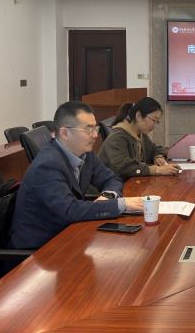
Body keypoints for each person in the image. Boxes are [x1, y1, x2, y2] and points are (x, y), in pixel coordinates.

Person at [10, 101, 143, 249]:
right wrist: (122, 205)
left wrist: (108, 196)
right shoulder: (47, 165)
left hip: (68, 234)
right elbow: (69, 210)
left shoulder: (85, 153)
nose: (95, 135)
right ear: (65, 133)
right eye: (88, 129)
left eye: (96, 128)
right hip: (40, 248)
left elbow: (112, 178)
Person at [99, 97, 179, 179]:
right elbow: (123, 168)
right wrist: (157, 170)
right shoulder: (116, 138)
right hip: (114, 184)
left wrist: (157, 156)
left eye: (157, 122)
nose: (154, 126)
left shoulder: (140, 134)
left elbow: (154, 149)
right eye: (153, 120)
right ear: (139, 116)